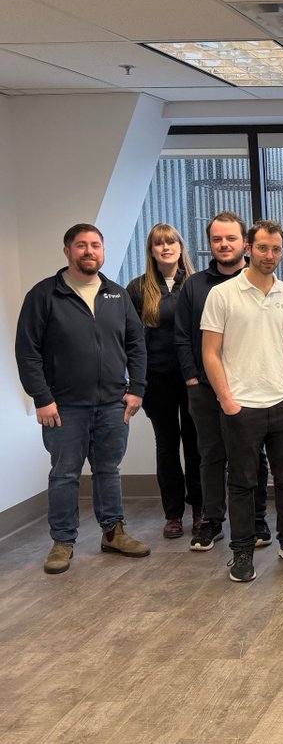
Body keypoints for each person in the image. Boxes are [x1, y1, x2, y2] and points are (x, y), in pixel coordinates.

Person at [16, 223, 150, 574]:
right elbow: (27, 351)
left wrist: (136, 389)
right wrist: (42, 398)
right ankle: (62, 542)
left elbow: (136, 346)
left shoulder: (117, 295)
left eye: (95, 245)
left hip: (112, 403)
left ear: (102, 251)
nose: (89, 251)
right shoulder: (45, 295)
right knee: (64, 474)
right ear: (67, 251)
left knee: (108, 470)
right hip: (63, 407)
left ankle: (113, 532)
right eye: (81, 245)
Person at [200, 218, 283, 582]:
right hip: (242, 405)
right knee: (242, 482)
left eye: (276, 249)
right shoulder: (222, 295)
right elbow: (210, 352)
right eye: (263, 248)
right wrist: (227, 400)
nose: (270, 255)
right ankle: (241, 552)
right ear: (248, 249)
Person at [176, 211, 271, 553]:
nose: (224, 244)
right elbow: (183, 335)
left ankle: (258, 519)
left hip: (249, 387)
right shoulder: (195, 285)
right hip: (204, 388)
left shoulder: (260, 280)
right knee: (211, 455)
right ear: (210, 244)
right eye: (217, 239)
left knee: (253, 456)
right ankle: (212, 521)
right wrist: (190, 378)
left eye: (230, 238)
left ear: (244, 243)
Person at [127, 223, 200, 540]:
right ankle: (173, 514)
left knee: (197, 445)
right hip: (157, 380)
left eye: (171, 242)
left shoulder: (196, 284)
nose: (166, 247)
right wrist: (134, 383)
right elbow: (129, 338)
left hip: (194, 378)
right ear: (152, 251)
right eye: (159, 244)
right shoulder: (138, 288)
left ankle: (201, 511)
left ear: (181, 246)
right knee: (168, 447)